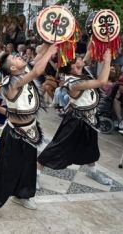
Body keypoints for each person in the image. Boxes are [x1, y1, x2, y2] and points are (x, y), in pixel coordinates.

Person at [0, 44, 58, 222]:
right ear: (12, 68)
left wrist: (50, 40)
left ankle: (22, 195)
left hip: (32, 130)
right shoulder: (10, 83)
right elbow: (37, 71)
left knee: (28, 167)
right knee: (4, 170)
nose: (18, 56)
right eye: (14, 58)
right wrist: (51, 52)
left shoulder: (22, 70)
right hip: (15, 133)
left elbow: (38, 55)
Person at [37, 50, 114, 188]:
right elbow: (102, 81)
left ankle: (92, 171)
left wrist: (97, 38)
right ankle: (35, 174)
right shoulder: (73, 82)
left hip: (90, 119)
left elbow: (89, 51)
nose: (81, 59)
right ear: (72, 66)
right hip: (76, 120)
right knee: (57, 147)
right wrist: (107, 60)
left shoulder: (83, 73)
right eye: (77, 59)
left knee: (91, 147)